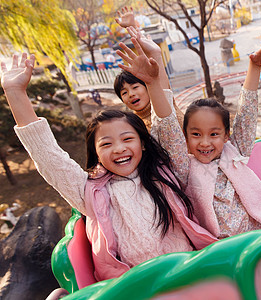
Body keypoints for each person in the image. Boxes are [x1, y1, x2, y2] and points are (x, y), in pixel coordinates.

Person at [0, 53, 215, 282]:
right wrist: (15, 92)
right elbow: (49, 157)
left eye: (127, 139)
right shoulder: (90, 191)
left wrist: (153, 81)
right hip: (135, 288)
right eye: (106, 143)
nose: (119, 149)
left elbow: (167, 124)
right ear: (96, 153)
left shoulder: (165, 170)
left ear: (142, 143)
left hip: (188, 275)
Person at [116, 37, 261, 239]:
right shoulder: (184, 167)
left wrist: (254, 66)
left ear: (226, 136)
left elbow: (247, 112)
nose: (205, 142)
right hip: (221, 249)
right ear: (184, 138)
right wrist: (152, 83)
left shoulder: (235, 149)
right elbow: (167, 122)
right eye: (196, 134)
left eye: (214, 134)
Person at [114, 7, 184, 130]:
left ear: (148, 88)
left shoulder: (165, 102)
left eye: (135, 87)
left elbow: (156, 69)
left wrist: (132, 28)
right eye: (124, 93)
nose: (131, 94)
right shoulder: (133, 126)